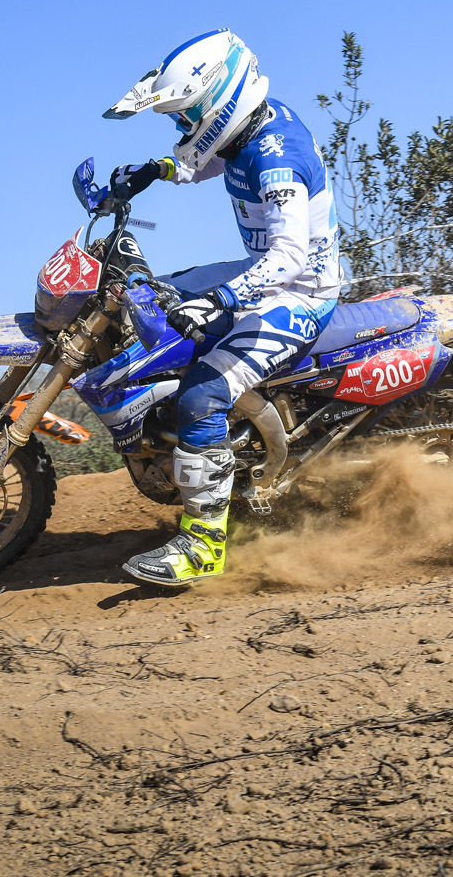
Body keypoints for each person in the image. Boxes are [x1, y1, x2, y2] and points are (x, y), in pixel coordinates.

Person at [101, 29, 340, 586]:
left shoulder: (278, 163)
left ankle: (204, 544)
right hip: (262, 271)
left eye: (187, 117)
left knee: (202, 394)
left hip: (299, 292)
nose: (183, 129)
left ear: (219, 102)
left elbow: (288, 257)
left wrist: (222, 301)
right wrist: (156, 171)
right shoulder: (252, 126)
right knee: (147, 295)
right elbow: (211, 159)